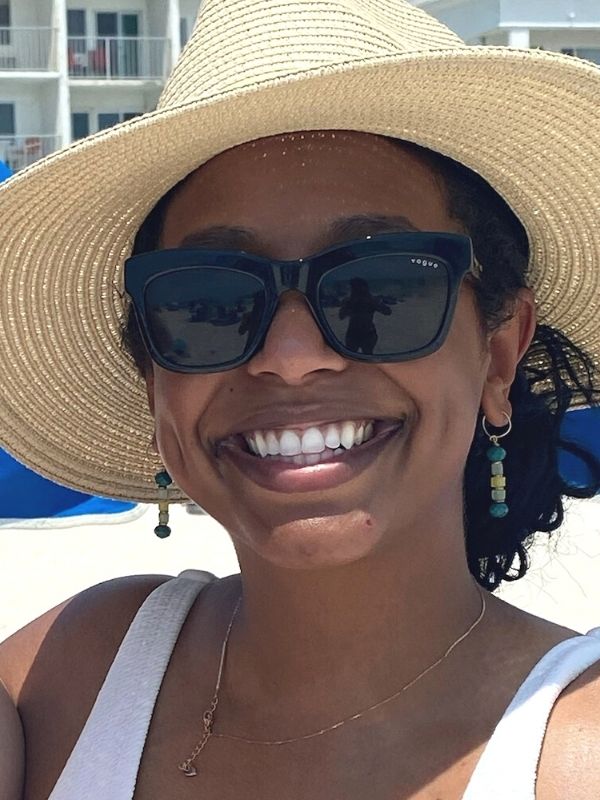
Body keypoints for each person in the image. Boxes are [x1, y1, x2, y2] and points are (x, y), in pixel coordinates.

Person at [0, 1, 599, 798]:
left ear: (497, 357)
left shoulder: (578, 757)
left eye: (381, 289)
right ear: (155, 381)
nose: (291, 358)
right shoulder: (69, 677)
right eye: (207, 302)